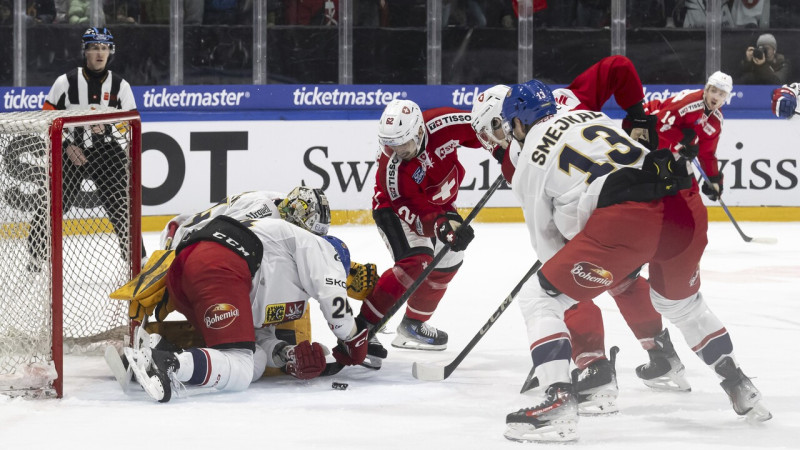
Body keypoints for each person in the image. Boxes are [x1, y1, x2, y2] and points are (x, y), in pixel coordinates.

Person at [494, 80, 770, 442]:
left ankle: (558, 400)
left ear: (518, 122)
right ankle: (740, 386)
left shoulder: (529, 157)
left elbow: (549, 250)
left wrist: (582, 275)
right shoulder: (590, 115)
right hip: (683, 206)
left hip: (627, 222)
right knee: (682, 306)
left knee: (540, 297)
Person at [472, 56, 685, 415]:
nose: (494, 142)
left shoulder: (517, 157)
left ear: (509, 118)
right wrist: (637, 114)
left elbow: (547, 228)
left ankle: (593, 366)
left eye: (495, 131)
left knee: (565, 283)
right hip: (646, 195)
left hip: (600, 213)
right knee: (625, 278)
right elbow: (618, 66)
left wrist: (555, 266)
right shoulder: (563, 99)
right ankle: (662, 354)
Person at [123, 216, 369, 402]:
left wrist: (286, 354)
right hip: (221, 266)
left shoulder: (285, 273)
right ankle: (172, 363)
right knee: (240, 369)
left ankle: (161, 348)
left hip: (188, 274)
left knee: (254, 360)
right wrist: (354, 339)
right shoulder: (323, 249)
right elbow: (336, 308)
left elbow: (257, 335)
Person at [355, 98, 480, 351]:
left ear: (420, 131)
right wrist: (443, 226)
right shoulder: (393, 170)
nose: (398, 151)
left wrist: (504, 148)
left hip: (437, 204)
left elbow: (483, 127)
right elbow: (417, 212)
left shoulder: (443, 122)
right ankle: (362, 329)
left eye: (403, 144)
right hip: (394, 209)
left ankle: (412, 325)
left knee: (450, 259)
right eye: (392, 145)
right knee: (416, 261)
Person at [29, 27, 144, 271]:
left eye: (104, 48)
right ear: (85, 50)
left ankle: (137, 258)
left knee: (121, 204)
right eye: (94, 47)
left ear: (110, 51)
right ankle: (36, 256)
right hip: (72, 151)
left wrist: (111, 128)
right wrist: (66, 145)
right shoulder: (65, 82)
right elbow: (46, 120)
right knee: (55, 202)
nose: (100, 53)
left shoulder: (121, 85)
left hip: (108, 153)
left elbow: (131, 125)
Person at [644, 71, 732, 203]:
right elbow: (657, 123)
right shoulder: (690, 102)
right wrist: (683, 138)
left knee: (686, 193)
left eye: (721, 94)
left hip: (669, 149)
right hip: (645, 130)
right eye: (713, 91)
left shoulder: (716, 121)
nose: (716, 96)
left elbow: (707, 152)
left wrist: (713, 179)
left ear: (726, 98)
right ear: (706, 89)